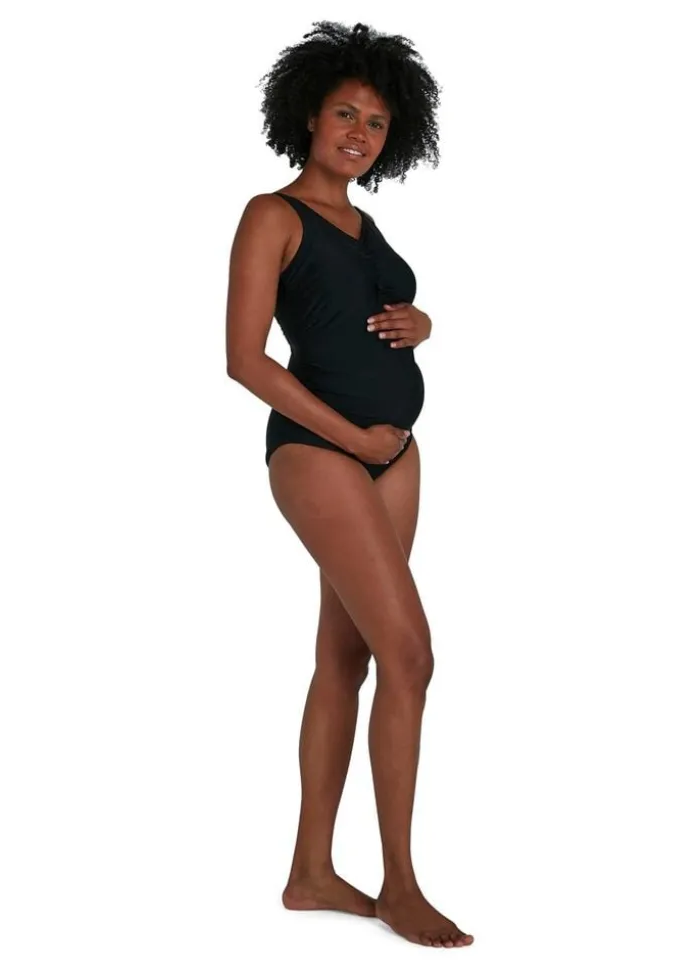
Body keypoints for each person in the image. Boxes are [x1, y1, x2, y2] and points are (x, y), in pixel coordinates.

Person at [225, 20, 472, 949]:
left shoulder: (366, 225)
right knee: (411, 654)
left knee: (350, 656)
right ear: (308, 115)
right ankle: (401, 883)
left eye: (376, 121)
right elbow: (245, 358)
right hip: (318, 451)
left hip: (394, 455)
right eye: (344, 114)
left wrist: (422, 323)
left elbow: (375, 314)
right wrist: (353, 436)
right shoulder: (271, 214)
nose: (360, 132)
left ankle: (310, 873)